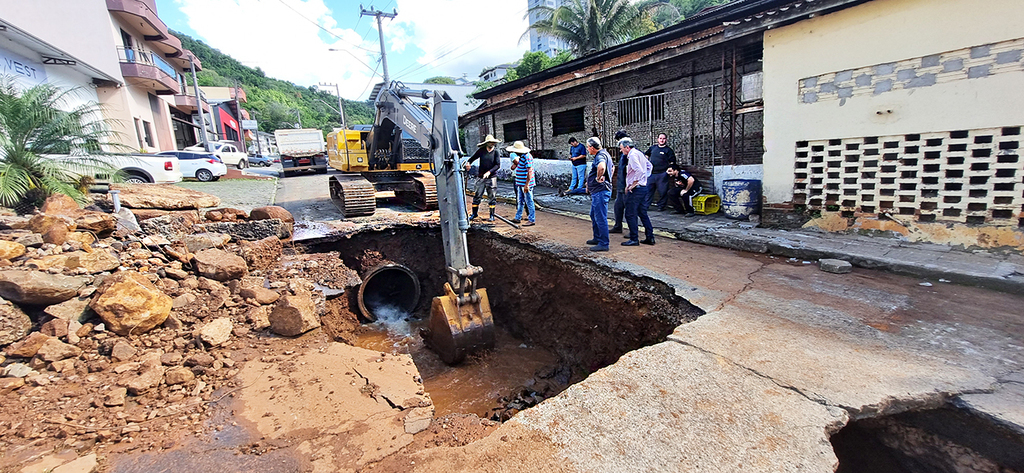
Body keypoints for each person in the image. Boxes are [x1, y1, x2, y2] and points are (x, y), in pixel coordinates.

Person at [619, 137, 654, 246]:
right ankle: (650, 237)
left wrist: (633, 184)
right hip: (643, 187)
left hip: (636, 189)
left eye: (621, 148)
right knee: (642, 213)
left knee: (630, 213)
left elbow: (639, 170)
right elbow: (649, 166)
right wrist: (644, 180)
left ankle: (634, 238)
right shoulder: (639, 153)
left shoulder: (633, 155)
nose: (621, 151)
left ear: (627, 147)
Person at [583, 137, 613, 251]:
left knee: (600, 217)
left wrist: (598, 178)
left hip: (600, 191)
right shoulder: (604, 154)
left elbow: (602, 166)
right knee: (593, 214)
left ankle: (604, 243)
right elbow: (612, 167)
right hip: (598, 191)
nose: (587, 149)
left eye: (587, 147)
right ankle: (597, 237)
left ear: (591, 147)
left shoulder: (600, 156)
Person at [464, 134, 501, 221]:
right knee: (477, 195)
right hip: (481, 177)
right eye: (490, 142)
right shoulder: (481, 151)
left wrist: (489, 172)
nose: (492, 143)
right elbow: (472, 158)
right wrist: (468, 163)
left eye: (493, 142)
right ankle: (474, 214)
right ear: (487, 143)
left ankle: (492, 215)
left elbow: (497, 165)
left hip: (492, 178)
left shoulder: (496, 152)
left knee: (492, 196)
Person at [644, 133, 677, 211]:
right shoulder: (653, 148)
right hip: (651, 174)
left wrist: (668, 170)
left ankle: (661, 206)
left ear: (666, 140)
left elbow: (672, 162)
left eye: (664, 138)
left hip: (662, 174)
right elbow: (646, 155)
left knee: (662, 191)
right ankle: (646, 206)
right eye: (660, 138)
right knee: (648, 190)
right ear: (657, 139)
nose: (662, 140)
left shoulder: (668, 150)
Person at [508, 140, 536, 226]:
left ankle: (531, 219)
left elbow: (530, 171)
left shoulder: (527, 156)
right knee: (520, 201)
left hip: (525, 184)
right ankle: (518, 217)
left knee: (529, 201)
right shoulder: (522, 156)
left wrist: (527, 185)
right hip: (520, 183)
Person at [609, 130, 630, 234]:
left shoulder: (630, 153)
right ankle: (618, 226)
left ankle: (632, 230)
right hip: (621, 184)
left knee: (630, 210)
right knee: (618, 207)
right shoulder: (623, 154)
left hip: (627, 185)